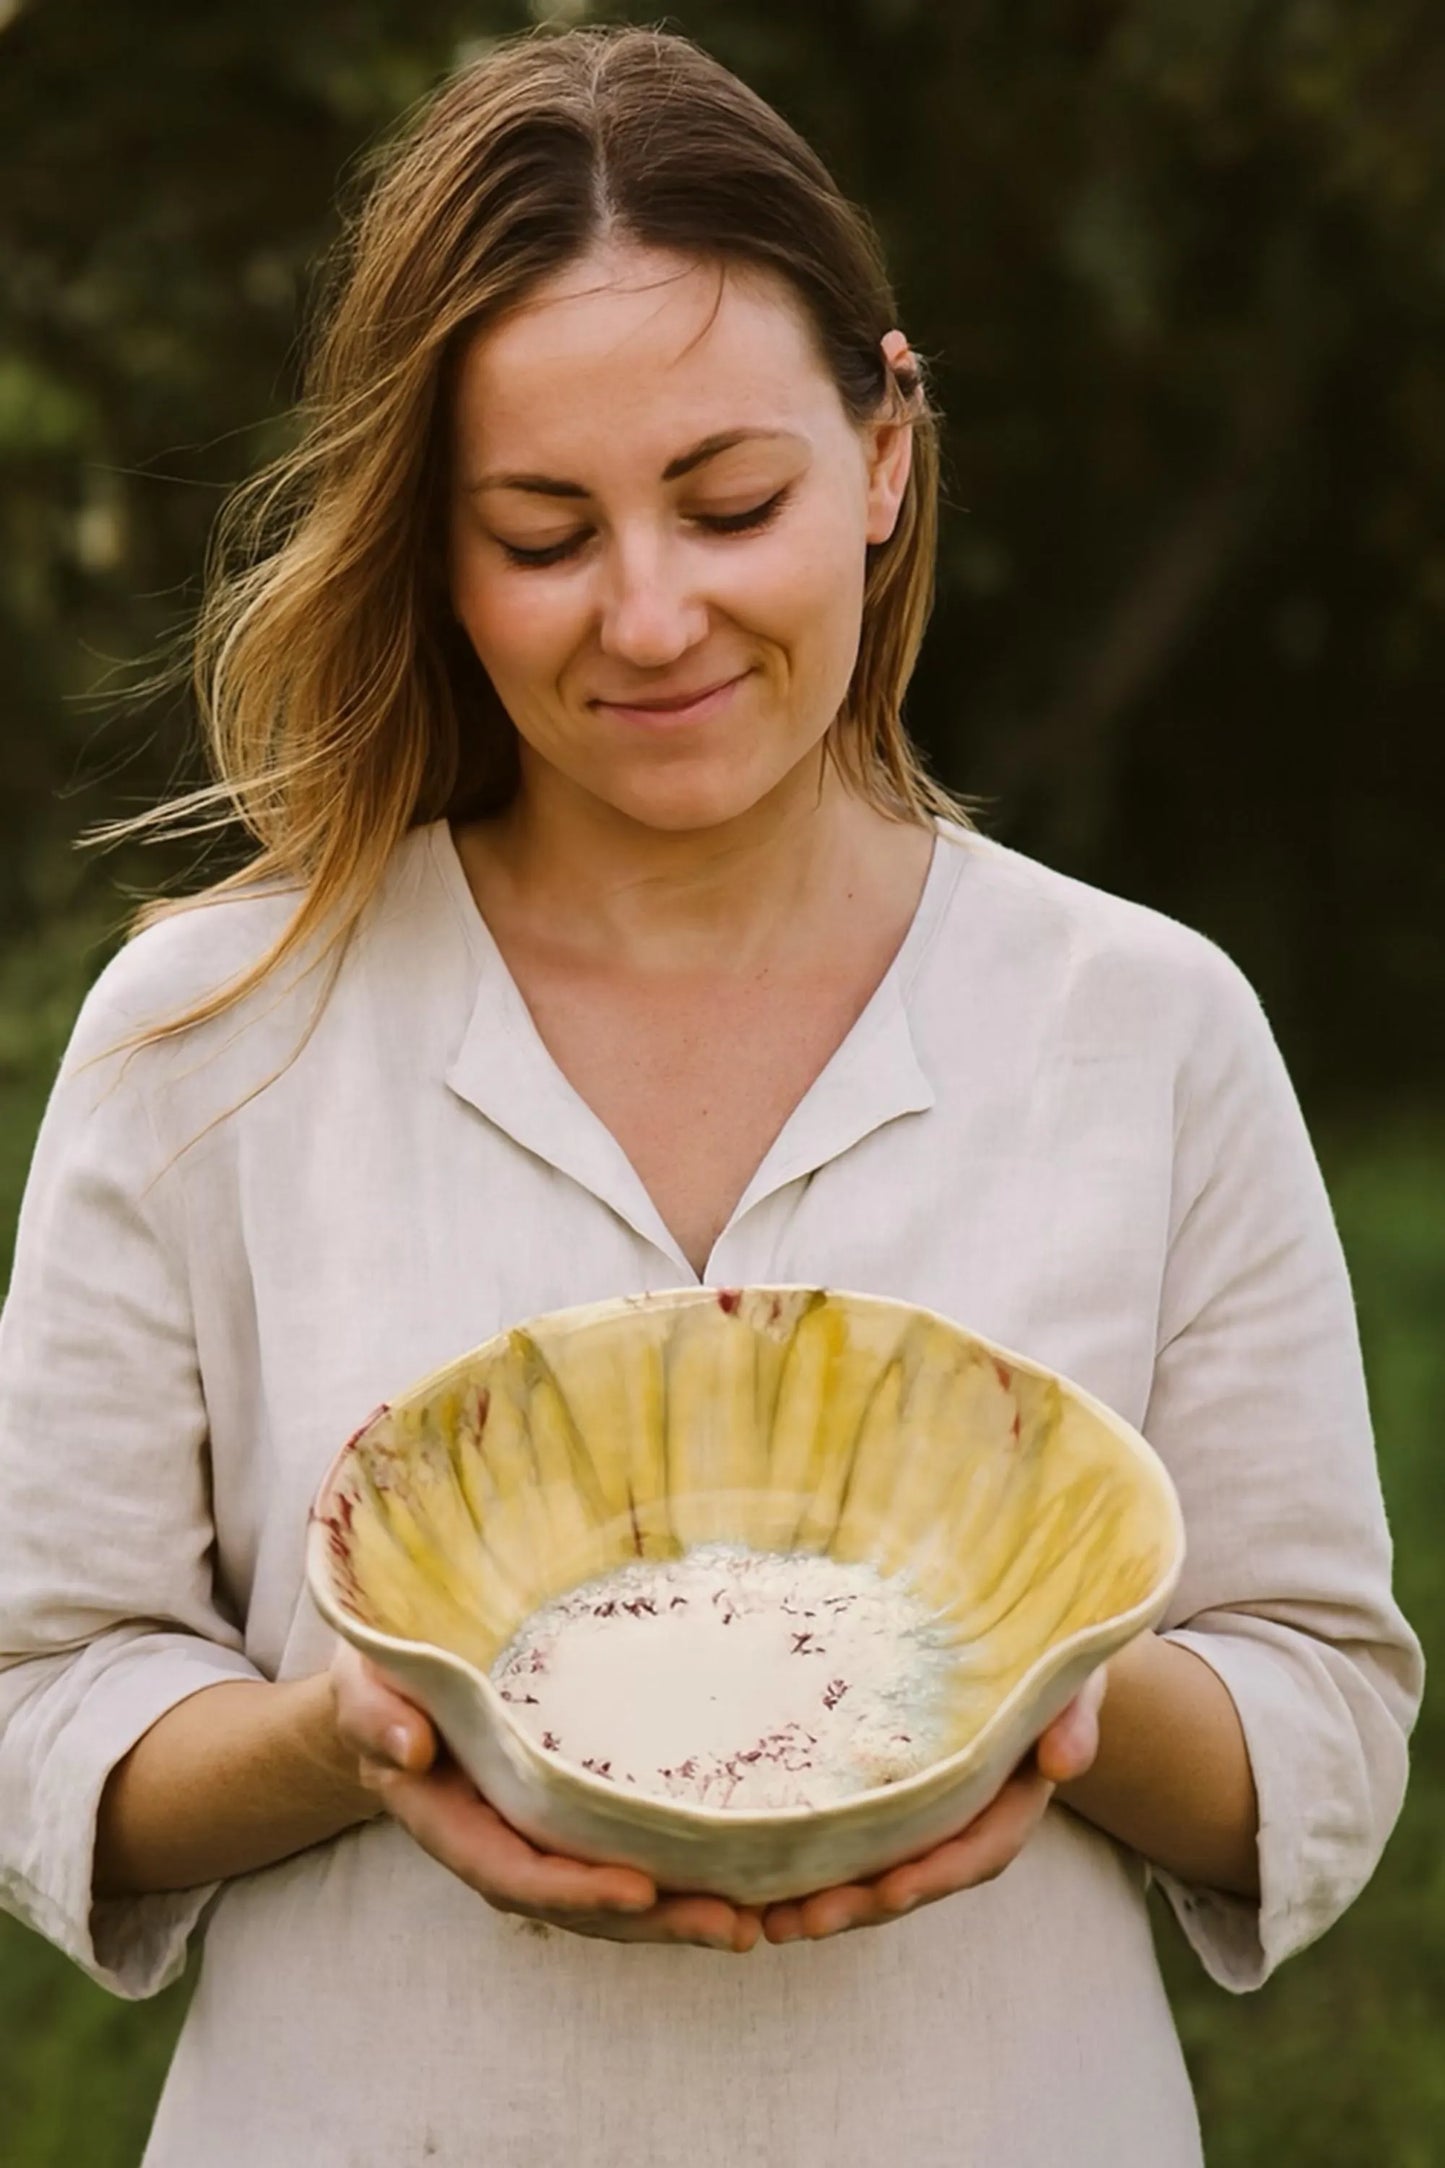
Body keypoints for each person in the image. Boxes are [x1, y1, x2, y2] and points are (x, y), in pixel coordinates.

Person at [0, 24, 1422, 2168]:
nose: (650, 613)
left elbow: (1321, 1696)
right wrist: (365, 1734)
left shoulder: (1143, 1027)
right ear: (436, 548)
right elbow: (43, 1696)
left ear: (883, 452)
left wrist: (1041, 1692)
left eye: (731, 500)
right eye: (544, 532)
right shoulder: (213, 1034)